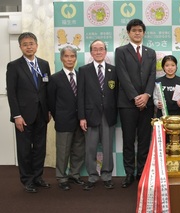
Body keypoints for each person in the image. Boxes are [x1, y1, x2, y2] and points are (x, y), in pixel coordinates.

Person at [6, 32, 51, 193]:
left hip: (42, 114)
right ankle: (27, 180)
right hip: (23, 116)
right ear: (20, 47)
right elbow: (11, 93)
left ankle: (38, 177)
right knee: (25, 149)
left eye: (31, 43)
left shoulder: (44, 64)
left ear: (36, 45)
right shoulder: (14, 66)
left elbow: (47, 89)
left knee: (40, 148)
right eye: (25, 44)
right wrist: (16, 115)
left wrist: (49, 111)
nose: (29, 46)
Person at [115, 19, 156, 188]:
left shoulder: (150, 52)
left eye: (140, 30)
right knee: (129, 140)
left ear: (143, 33)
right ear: (128, 33)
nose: (137, 33)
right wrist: (135, 97)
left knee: (145, 140)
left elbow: (152, 76)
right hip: (127, 103)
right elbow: (122, 76)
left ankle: (142, 172)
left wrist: (146, 95)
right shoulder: (121, 51)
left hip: (147, 104)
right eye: (134, 30)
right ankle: (129, 173)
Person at [78, 39, 118, 191]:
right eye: (95, 49)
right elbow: (80, 95)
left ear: (106, 51)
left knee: (108, 147)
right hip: (90, 115)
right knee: (91, 147)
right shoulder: (84, 70)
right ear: (91, 52)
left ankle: (107, 176)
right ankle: (92, 176)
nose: (98, 51)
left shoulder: (113, 70)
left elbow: (116, 93)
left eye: (101, 49)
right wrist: (82, 117)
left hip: (108, 115)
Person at [47, 46, 85, 191]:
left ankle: (74, 174)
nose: (70, 59)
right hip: (63, 120)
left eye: (72, 56)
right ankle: (62, 177)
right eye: (67, 56)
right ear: (62, 58)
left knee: (79, 149)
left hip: (80, 120)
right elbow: (51, 101)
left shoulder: (81, 76)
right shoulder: (55, 78)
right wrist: (58, 117)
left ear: (76, 58)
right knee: (63, 151)